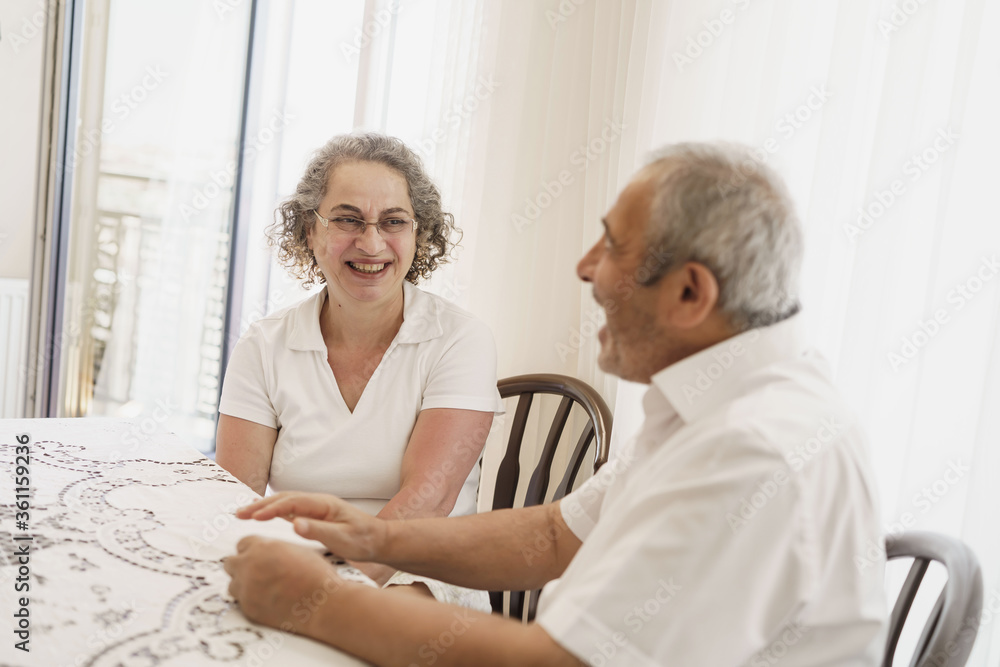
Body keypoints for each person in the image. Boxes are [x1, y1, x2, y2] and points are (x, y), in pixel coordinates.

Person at [224, 142, 887, 666]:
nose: (584, 266)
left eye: (612, 246)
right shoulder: (716, 407)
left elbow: (558, 664)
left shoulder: (752, 447)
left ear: (690, 293)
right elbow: (551, 535)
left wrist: (314, 598)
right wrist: (372, 535)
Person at [215, 133, 503, 602]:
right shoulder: (264, 345)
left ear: (418, 234)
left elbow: (427, 503)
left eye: (394, 221)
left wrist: (331, 588)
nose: (371, 243)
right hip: (298, 557)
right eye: (348, 219)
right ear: (310, 231)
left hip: (421, 565)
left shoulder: (460, 339)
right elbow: (236, 498)